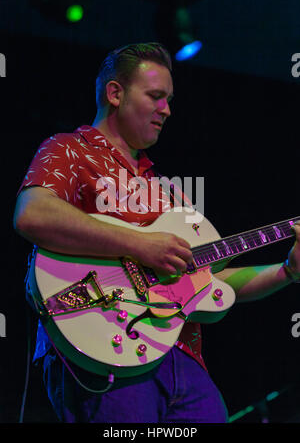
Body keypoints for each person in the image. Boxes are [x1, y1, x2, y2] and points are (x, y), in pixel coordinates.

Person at [14, 42, 300, 423]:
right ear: (115, 93)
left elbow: (211, 281)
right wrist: (141, 244)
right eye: (155, 96)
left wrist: (287, 271)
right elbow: (33, 214)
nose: (167, 110)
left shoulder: (169, 191)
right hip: (103, 348)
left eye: (169, 99)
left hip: (183, 359)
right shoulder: (69, 150)